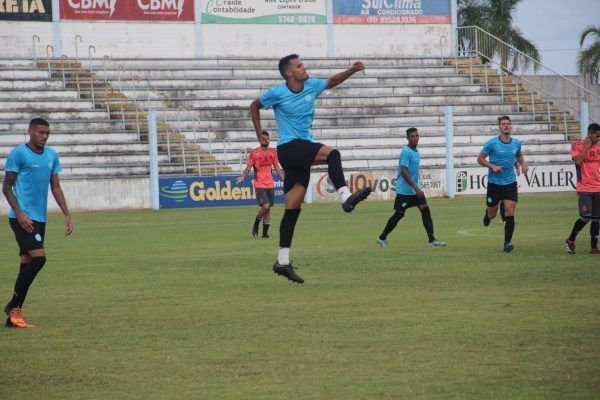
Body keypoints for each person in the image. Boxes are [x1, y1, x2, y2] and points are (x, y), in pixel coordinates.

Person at [250, 54, 372, 284]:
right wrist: (259, 136)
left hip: (300, 153)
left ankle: (282, 262)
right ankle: (345, 197)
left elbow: (331, 81)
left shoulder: (312, 85)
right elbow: (254, 106)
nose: (303, 67)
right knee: (333, 155)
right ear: (288, 73)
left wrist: (352, 70)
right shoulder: (277, 92)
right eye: (299, 65)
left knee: (292, 209)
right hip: (288, 148)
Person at [2, 118, 73, 328]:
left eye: (47, 133)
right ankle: (13, 305)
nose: (44, 136)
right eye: (40, 132)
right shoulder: (19, 154)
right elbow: (7, 187)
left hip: (40, 218)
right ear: (30, 132)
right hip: (22, 219)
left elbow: (56, 187)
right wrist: (19, 212)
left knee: (26, 262)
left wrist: (67, 214)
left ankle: (13, 316)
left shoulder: (52, 155)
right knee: (39, 259)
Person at [376, 128, 447, 248]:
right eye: (412, 136)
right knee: (399, 214)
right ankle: (382, 237)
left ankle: (432, 240)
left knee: (425, 210)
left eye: (417, 136)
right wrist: (415, 187)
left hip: (414, 189)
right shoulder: (406, 151)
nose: (415, 138)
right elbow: (404, 171)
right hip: (405, 190)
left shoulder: (416, 152)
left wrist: (416, 188)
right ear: (407, 138)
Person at [477, 115, 528, 253]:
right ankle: (488, 215)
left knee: (509, 210)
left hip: (510, 182)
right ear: (499, 127)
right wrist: (492, 166)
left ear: (511, 126)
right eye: (503, 124)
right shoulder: (492, 143)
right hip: (494, 183)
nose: (506, 126)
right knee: (492, 214)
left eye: (508, 124)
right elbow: (480, 159)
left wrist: (522, 164)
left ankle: (507, 244)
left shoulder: (516, 143)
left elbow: (518, 155)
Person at [235, 130, 284, 238]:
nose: (266, 140)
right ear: (260, 140)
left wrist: (284, 178)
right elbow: (248, 168)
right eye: (264, 138)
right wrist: (243, 177)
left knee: (268, 210)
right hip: (259, 183)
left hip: (270, 184)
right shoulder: (255, 153)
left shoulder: (273, 152)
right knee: (265, 206)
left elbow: (276, 167)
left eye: (268, 138)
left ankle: (265, 234)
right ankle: (256, 223)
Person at [565, 123, 600, 254]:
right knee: (586, 217)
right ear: (590, 134)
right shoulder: (577, 146)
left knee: (597, 218)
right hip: (584, 187)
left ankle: (594, 247)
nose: (598, 139)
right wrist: (586, 146)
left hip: (598, 187)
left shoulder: (599, 148)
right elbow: (578, 161)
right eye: (597, 136)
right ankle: (570, 239)